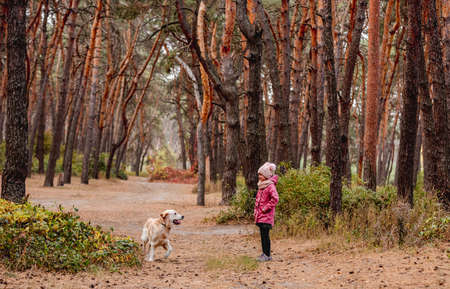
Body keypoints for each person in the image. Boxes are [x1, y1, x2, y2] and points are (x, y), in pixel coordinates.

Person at [254, 162, 279, 262]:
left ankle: (267, 255)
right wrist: (256, 211)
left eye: (261, 174)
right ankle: (264, 253)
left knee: (265, 235)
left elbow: (275, 198)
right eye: (259, 174)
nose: (259, 176)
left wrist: (266, 208)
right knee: (262, 235)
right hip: (260, 215)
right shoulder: (261, 186)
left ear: (266, 175)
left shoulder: (270, 186)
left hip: (266, 216)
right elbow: (258, 200)